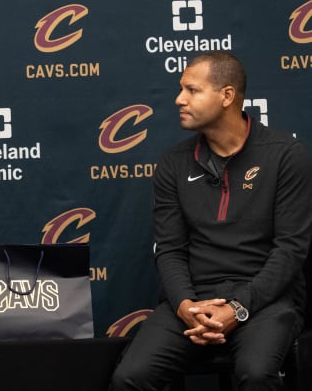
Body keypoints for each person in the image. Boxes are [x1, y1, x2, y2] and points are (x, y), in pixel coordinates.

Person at [111, 51, 312, 391]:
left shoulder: (285, 155)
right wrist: (187, 305)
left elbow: (290, 250)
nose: (179, 99)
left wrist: (239, 307)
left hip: (265, 301)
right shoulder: (173, 164)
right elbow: (170, 249)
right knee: (130, 377)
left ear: (227, 96)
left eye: (192, 90)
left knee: (257, 372)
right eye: (181, 89)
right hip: (195, 300)